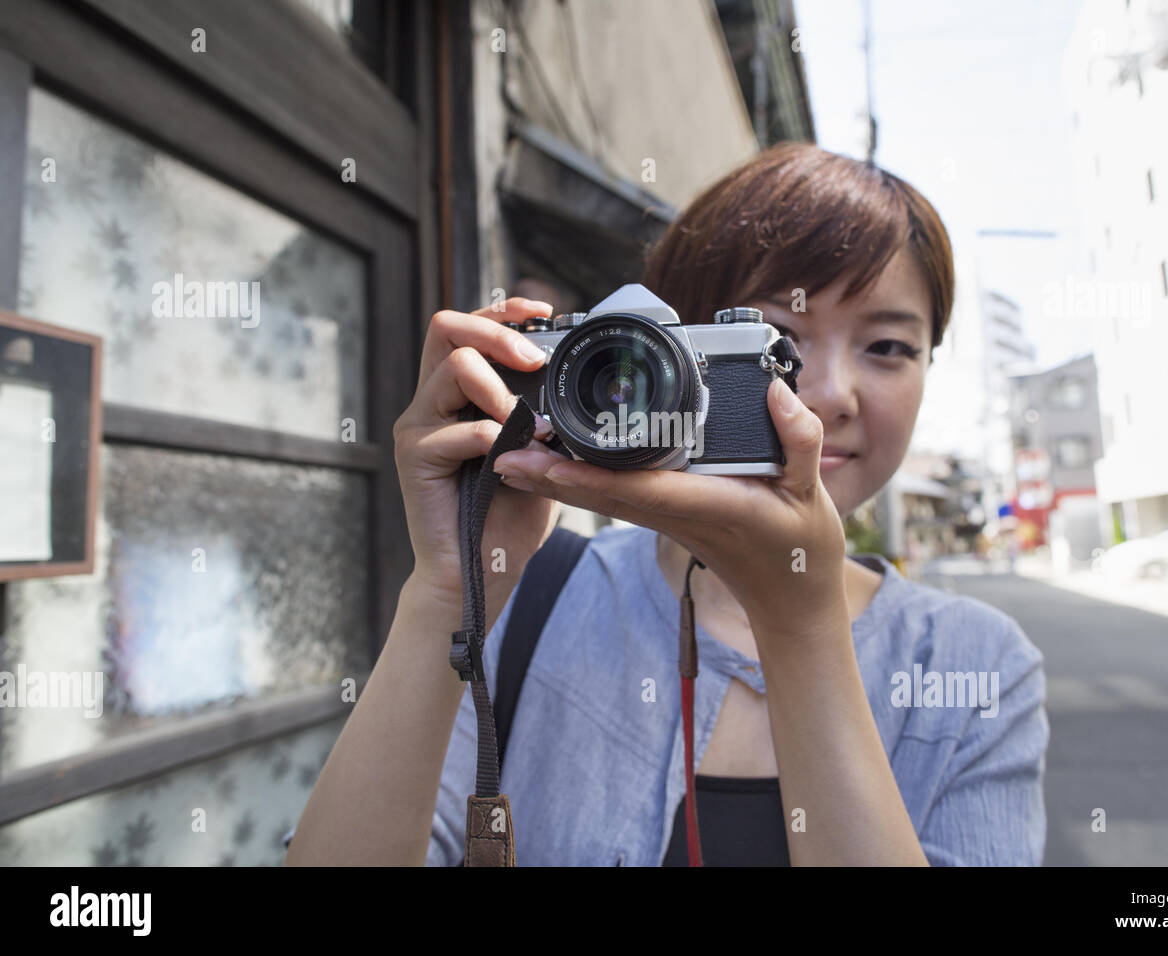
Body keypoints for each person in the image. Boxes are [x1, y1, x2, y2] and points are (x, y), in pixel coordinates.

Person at [284, 142, 1049, 867]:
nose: (828, 394)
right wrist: (447, 590)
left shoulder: (975, 668)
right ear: (657, 350)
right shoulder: (532, 596)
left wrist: (800, 622)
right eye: (775, 338)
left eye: (888, 347)